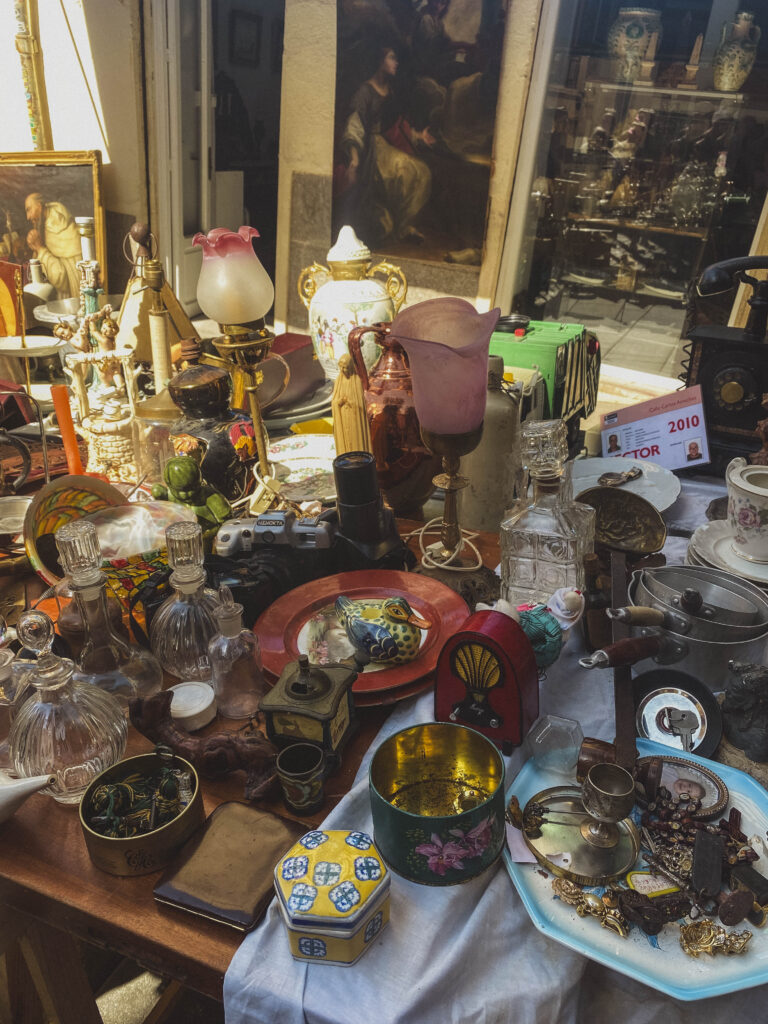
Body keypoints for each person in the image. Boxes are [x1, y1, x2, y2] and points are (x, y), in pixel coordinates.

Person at [336, 46, 432, 245]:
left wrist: (418, 136)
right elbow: (354, 125)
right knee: (408, 173)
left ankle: (405, 225)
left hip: (385, 145)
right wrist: (354, 160)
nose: (396, 63)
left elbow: (396, 126)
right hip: (370, 150)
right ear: (380, 60)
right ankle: (399, 227)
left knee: (421, 172)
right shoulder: (365, 91)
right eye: (392, 58)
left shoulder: (391, 91)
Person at [24, 192, 82, 300]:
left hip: (73, 296)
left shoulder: (59, 229)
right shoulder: (45, 225)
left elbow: (60, 278)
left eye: (29, 209)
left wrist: (39, 249)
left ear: (39, 206)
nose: (28, 217)